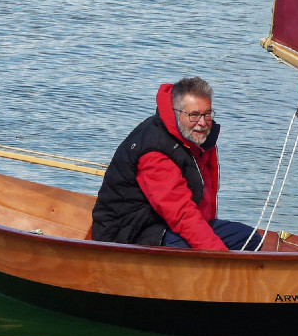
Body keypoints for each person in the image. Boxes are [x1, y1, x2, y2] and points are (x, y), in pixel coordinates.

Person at [91, 77, 259, 251]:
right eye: (194, 115)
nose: (202, 123)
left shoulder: (197, 139)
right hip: (127, 232)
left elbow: (204, 198)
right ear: (176, 112)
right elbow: (181, 214)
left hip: (161, 221)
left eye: (207, 114)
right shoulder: (154, 152)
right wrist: (221, 256)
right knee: (198, 246)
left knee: (249, 239)